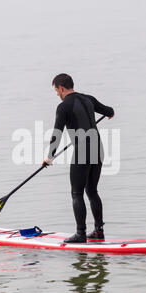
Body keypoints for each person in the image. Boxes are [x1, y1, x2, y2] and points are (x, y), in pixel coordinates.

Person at [43, 73, 115, 243]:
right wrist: (110, 113)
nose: (58, 96)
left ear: (61, 88)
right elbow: (109, 111)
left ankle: (80, 234)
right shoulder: (88, 99)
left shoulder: (63, 107)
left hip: (83, 151)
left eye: (56, 92)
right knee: (92, 191)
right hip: (99, 150)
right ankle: (99, 231)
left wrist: (49, 157)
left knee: (77, 193)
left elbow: (57, 133)